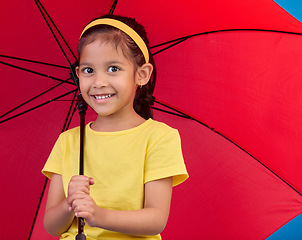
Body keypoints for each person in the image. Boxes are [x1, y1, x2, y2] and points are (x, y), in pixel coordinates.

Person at [42, 14, 188, 240]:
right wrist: (69, 204)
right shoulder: (68, 141)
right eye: (88, 70)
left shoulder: (159, 138)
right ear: (78, 74)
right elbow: (52, 226)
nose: (99, 82)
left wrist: (98, 215)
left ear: (141, 75)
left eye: (113, 69)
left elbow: (155, 219)